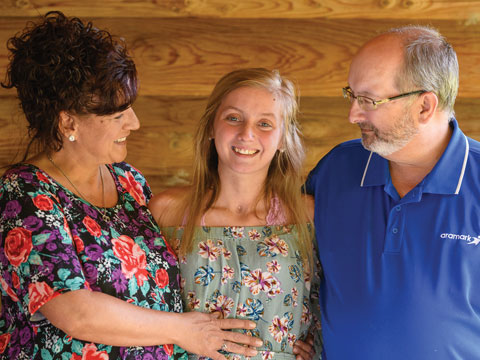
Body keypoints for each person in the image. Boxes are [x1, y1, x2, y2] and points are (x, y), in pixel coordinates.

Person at [0, 12, 262, 359]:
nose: (134, 123)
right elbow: (75, 313)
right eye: (118, 114)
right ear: (67, 121)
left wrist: (285, 338)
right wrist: (183, 329)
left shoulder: (129, 181)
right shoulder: (25, 194)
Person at [306, 25, 480, 359]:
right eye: (352, 95)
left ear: (424, 107)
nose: (352, 114)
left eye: (369, 100)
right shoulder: (336, 169)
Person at [149, 68, 323, 360]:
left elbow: (333, 300)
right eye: (233, 118)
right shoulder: (168, 212)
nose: (247, 134)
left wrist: (317, 346)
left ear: (282, 139)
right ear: (211, 128)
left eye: (265, 123)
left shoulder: (307, 214)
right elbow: (143, 306)